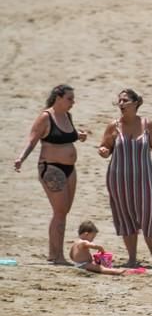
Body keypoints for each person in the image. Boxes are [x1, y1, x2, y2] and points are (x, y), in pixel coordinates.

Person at [97, 89, 152, 269]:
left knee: (148, 217)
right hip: (118, 180)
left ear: (136, 103)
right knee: (125, 217)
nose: (121, 104)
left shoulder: (147, 125)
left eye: (125, 101)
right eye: (119, 101)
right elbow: (104, 147)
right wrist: (103, 151)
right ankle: (132, 259)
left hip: (145, 179)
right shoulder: (113, 126)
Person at [14, 84, 88, 265]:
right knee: (60, 212)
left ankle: (53, 255)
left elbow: (66, 135)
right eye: (69, 98)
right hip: (51, 168)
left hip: (70, 169)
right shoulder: (45, 117)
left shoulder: (67, 116)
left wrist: (78, 135)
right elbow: (32, 139)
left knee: (64, 211)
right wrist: (21, 158)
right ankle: (58, 256)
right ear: (58, 97)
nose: (73, 102)